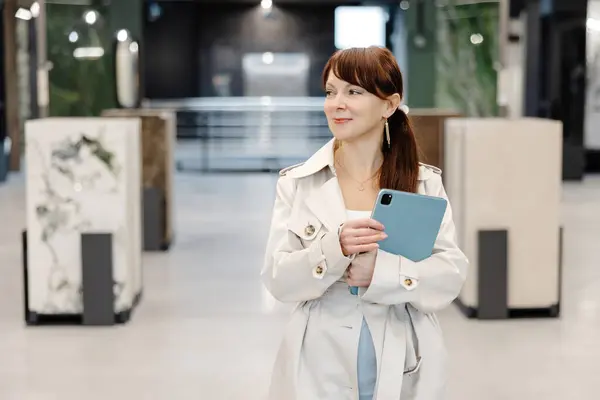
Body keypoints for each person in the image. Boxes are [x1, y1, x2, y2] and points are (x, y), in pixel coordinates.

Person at [261, 46, 469, 400]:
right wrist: (334, 248)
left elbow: (450, 275)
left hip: (404, 351)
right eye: (330, 92)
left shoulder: (423, 184)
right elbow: (278, 280)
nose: (336, 103)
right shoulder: (298, 183)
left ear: (389, 105)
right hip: (318, 356)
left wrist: (381, 273)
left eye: (353, 92)